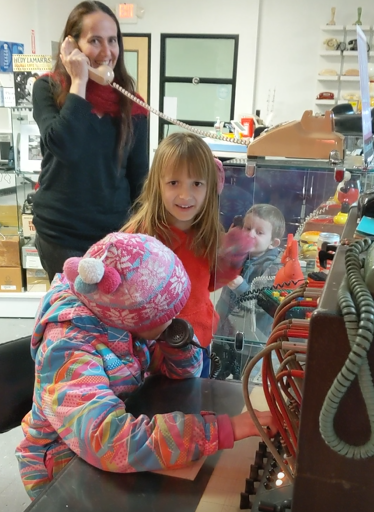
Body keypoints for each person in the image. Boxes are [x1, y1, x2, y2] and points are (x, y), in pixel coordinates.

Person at [15, 232, 277, 501]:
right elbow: (108, 442)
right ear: (135, 317)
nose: (174, 319)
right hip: (63, 462)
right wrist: (221, 430)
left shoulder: (118, 316)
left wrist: (176, 340)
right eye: (167, 315)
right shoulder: (67, 348)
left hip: (119, 426)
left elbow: (182, 373)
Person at [32, 1, 149, 282]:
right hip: (60, 235)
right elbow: (65, 146)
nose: (107, 51)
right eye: (94, 40)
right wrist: (79, 82)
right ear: (72, 46)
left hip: (113, 234)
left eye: (112, 40)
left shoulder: (133, 105)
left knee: (111, 317)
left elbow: (139, 177)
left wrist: (141, 235)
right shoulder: (48, 88)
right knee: (71, 319)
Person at [122, 132, 253, 377]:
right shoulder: (137, 237)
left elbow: (209, 281)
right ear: (156, 185)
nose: (185, 195)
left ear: (210, 187)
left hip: (197, 346)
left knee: (191, 412)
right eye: (174, 183)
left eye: (197, 183)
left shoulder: (207, 233)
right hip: (151, 355)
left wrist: (232, 258)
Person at [213, 204, 286, 378]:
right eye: (247, 228)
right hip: (222, 333)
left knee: (243, 383)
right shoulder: (237, 253)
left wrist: (241, 287)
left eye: (259, 232)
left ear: (273, 243)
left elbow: (264, 306)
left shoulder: (274, 268)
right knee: (215, 376)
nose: (250, 234)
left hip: (250, 342)